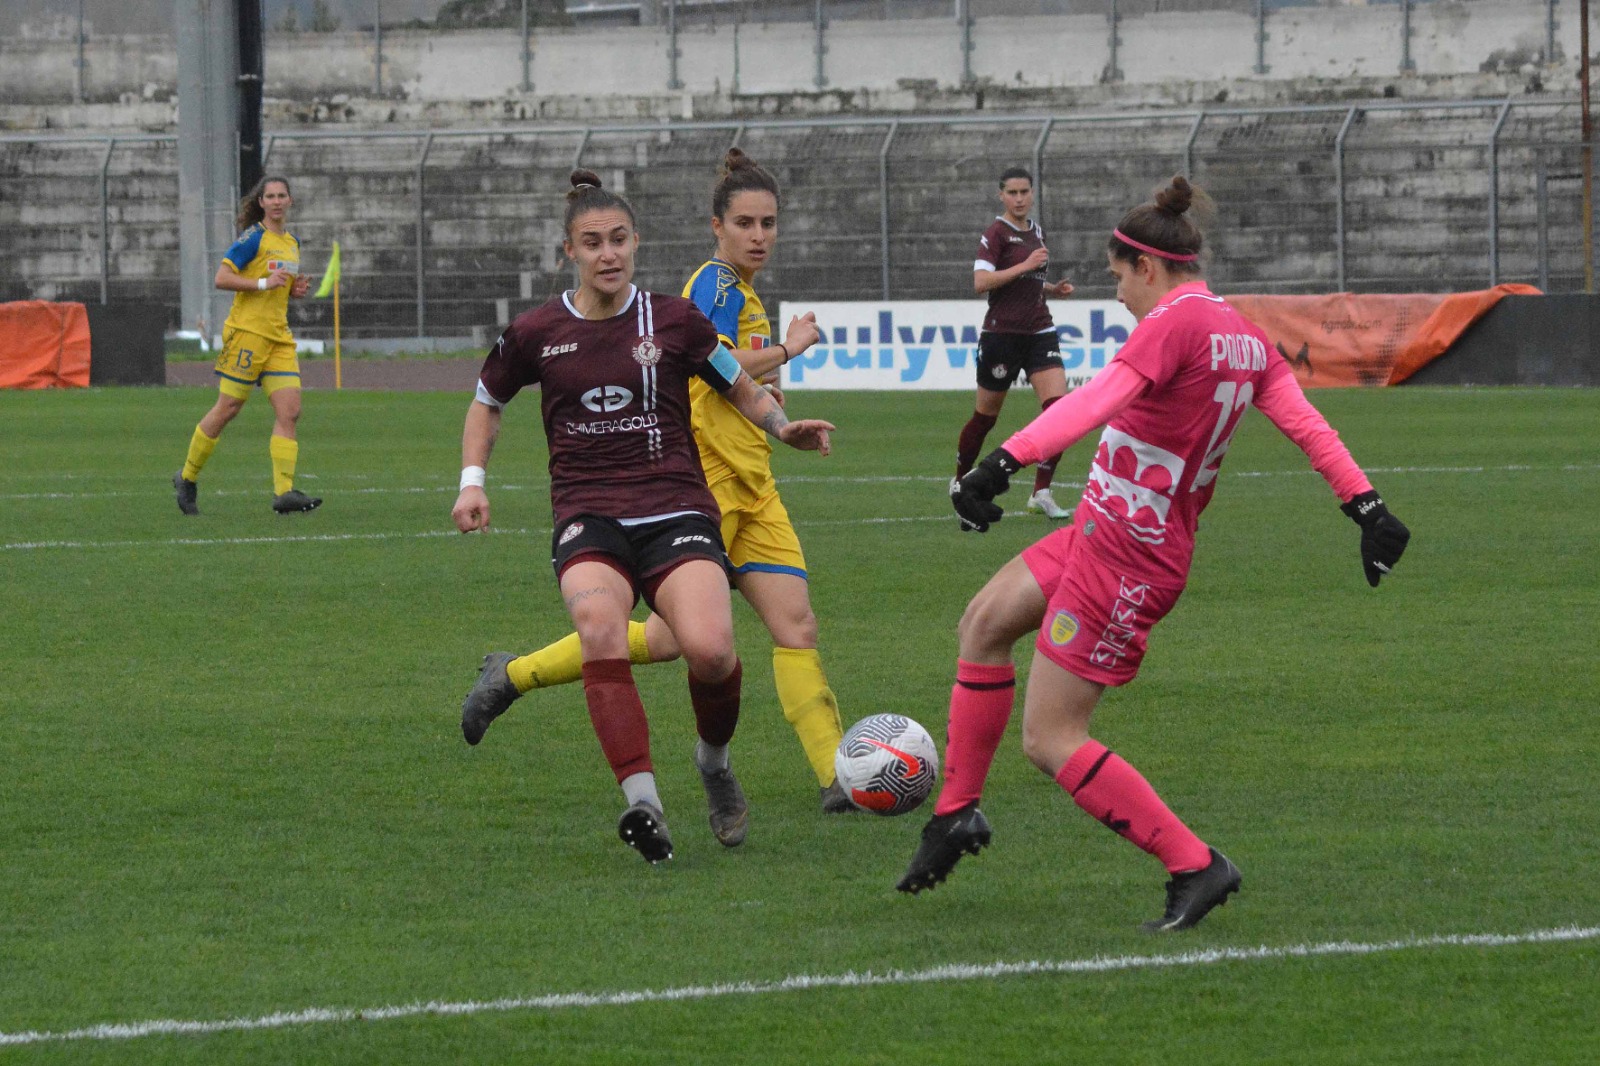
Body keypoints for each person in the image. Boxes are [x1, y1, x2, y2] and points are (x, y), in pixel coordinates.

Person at [898, 176, 1411, 932]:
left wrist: (1003, 460)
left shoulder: (1172, 323)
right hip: (1101, 535)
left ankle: (1194, 864)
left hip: (1129, 559)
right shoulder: (1240, 332)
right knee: (983, 623)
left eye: (1116, 278)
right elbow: (1309, 426)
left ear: (1147, 266)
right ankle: (955, 816)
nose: (1116, 296)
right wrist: (1366, 506)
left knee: (1050, 738)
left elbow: (1096, 399)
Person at [450, 170, 835, 865]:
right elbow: (486, 401)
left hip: (677, 507)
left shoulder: (674, 320)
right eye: (592, 242)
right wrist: (471, 482)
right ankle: (644, 804)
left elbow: (739, 385)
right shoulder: (538, 332)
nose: (608, 253)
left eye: (619, 240)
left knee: (712, 651)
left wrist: (782, 428)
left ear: (637, 243)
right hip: (589, 515)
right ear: (569, 250)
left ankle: (714, 764)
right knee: (600, 628)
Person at [173, 175, 322, 516]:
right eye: (270, 196)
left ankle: (284, 493)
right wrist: (262, 282)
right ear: (261, 203)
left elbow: (277, 288)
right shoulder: (252, 238)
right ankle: (187, 477)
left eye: (282, 195)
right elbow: (222, 278)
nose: (277, 201)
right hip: (247, 335)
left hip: (278, 338)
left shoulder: (292, 243)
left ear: (290, 201)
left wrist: (292, 289)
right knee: (228, 409)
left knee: (290, 410)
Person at [952, 166, 1076, 522]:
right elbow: (981, 283)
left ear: (1033, 193)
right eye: (1012, 193)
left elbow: (1029, 279)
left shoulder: (1036, 231)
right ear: (1001, 195)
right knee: (985, 418)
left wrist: (1051, 289)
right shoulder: (995, 233)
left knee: (1061, 412)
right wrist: (1024, 266)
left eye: (1025, 192)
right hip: (1002, 335)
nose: (1019, 199)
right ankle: (961, 486)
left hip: (1039, 331)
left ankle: (1042, 491)